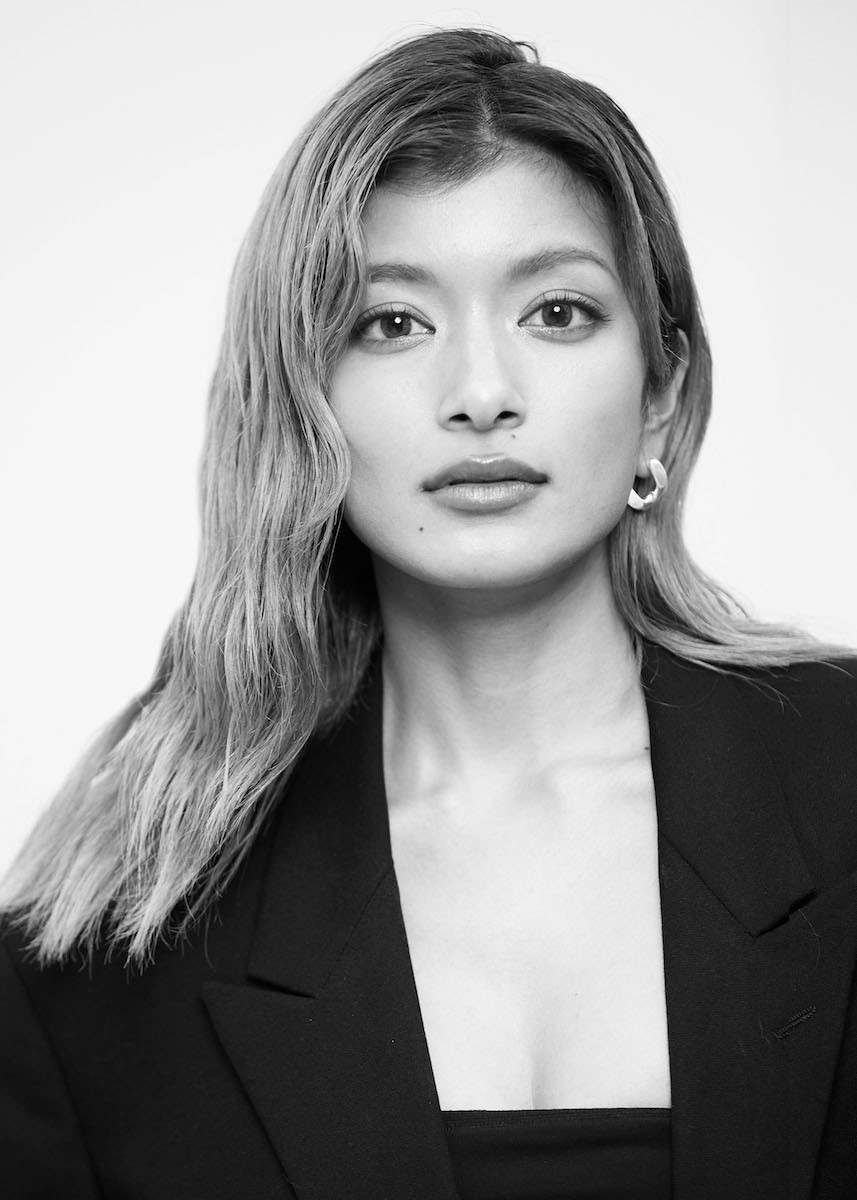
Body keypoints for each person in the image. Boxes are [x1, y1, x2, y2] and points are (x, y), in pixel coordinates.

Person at [1, 25, 856, 1200]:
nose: (481, 394)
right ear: (303, 403)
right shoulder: (118, 930)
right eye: (391, 323)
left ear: (659, 394)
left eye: (556, 312)